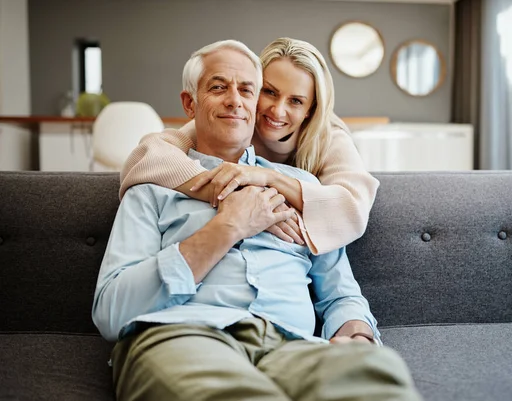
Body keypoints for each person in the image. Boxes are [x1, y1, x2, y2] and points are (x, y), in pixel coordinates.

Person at [93, 40, 421, 401]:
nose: (235, 100)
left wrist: (357, 334)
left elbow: (340, 293)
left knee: (380, 378)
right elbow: (111, 312)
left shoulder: (306, 188)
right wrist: (228, 225)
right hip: (184, 336)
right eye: (218, 87)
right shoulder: (154, 184)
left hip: (292, 347)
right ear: (190, 103)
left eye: (246, 89)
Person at [120, 37, 379, 255]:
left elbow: (353, 208)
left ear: (311, 110)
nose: (277, 111)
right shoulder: (234, 122)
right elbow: (148, 155)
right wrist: (236, 194)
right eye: (270, 92)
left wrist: (269, 178)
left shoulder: (327, 136)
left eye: (296, 101)